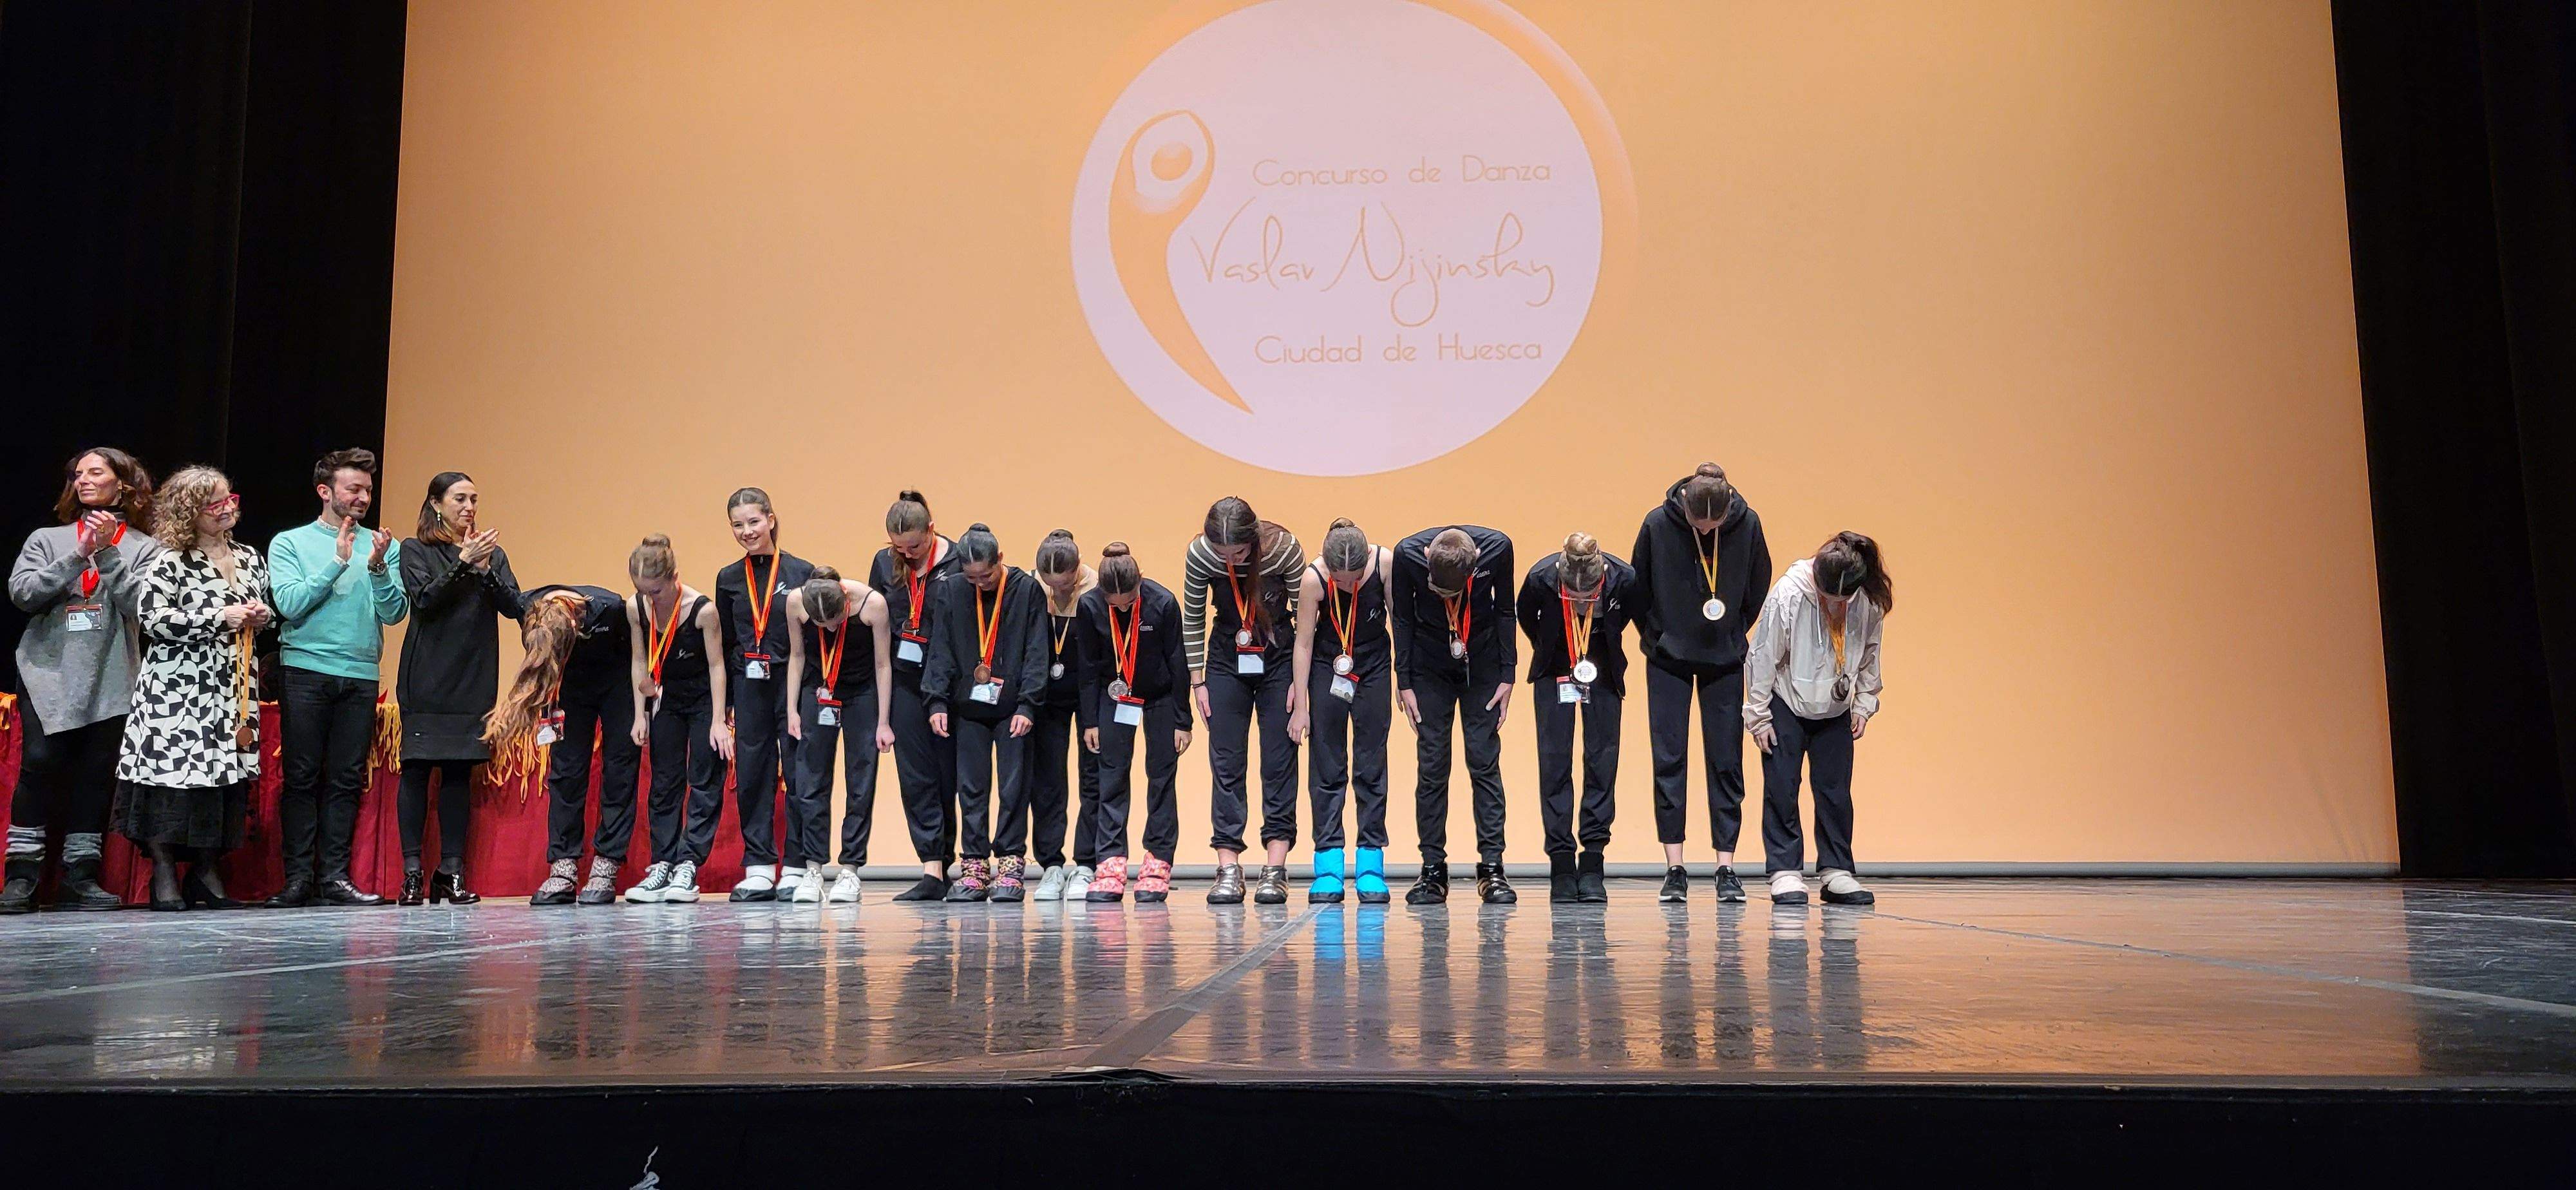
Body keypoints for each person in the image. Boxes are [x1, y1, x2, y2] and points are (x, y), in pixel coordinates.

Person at [5, 448, 159, 913]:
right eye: (77, 474)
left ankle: (80, 875)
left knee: (96, 772)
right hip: (48, 671)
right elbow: (23, 593)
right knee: (40, 764)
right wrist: (79, 555)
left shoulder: (145, 547)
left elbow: (142, 607)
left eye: (95, 472)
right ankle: (21, 875)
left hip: (112, 674)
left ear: (123, 484)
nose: (83, 480)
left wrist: (108, 553)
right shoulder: (48, 538)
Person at [117, 467, 270, 911]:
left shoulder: (248, 557)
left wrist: (261, 617)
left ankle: (205, 872)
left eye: (229, 498)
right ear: (189, 514)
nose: (226, 509)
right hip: (178, 691)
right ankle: (164, 874)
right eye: (214, 504)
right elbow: (153, 619)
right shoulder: (170, 561)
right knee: (172, 780)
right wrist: (218, 618)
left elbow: (262, 610)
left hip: (232, 689)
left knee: (221, 779)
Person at [265, 448, 406, 907]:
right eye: (354, 489)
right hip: (305, 671)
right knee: (302, 776)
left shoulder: (384, 546)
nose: (363, 497)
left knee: (346, 779)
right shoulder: (290, 542)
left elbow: (395, 612)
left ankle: (334, 878)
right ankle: (297, 879)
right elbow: (289, 605)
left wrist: (378, 567)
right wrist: (337, 561)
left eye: (368, 490)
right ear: (325, 491)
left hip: (360, 674)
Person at [1631, 462, 1772, 903]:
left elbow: (1759, 582)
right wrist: (1657, 637)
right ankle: (1674, 867)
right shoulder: (1658, 524)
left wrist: (1735, 630)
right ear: (1686, 508)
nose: (1707, 531)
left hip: (1724, 659)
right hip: (1668, 660)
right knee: (1669, 759)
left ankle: (1725, 866)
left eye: (1715, 525)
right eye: (1699, 525)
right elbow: (1638, 587)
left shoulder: (1747, 524)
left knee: (1726, 762)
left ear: (1728, 510)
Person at [392, 472, 519, 905]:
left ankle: (451, 871)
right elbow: (425, 600)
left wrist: (485, 571)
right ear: (436, 504)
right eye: (460, 499)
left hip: (473, 678)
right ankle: (412, 873)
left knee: (459, 773)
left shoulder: (492, 555)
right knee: (416, 769)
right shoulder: (416, 549)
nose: (469, 507)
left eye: (474, 500)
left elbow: (514, 606)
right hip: (427, 679)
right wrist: (465, 562)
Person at [1746, 533, 1889, 908]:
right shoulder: (1789, 594)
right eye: (1828, 598)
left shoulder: (1867, 600)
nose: (1835, 605)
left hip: (1836, 708)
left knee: (1835, 792)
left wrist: (1864, 704)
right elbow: (1763, 655)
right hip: (1786, 702)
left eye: (1844, 600)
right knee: (1782, 787)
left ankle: (1837, 870)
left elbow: (1871, 652)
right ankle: (1785, 871)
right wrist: (1758, 716)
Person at [1182, 497, 1304, 904]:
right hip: (1225, 657)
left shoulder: (1283, 549)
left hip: (1278, 657)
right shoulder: (1201, 554)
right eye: (1222, 553)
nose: (1230, 561)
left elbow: (1308, 617)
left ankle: (1275, 868)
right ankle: (1229, 868)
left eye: (1237, 553)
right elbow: (1193, 617)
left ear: (1253, 540)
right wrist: (1198, 681)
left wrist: (1300, 683)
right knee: (1226, 762)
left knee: (1279, 760)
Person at [489, 581, 641, 905]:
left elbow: (641, 651)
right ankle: (563, 865)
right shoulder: (528, 606)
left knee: (619, 769)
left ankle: (607, 863)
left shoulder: (612, 609)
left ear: (575, 625)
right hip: (569, 682)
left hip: (617, 682)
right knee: (566, 771)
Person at [1391, 523, 1517, 904]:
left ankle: (1492, 868)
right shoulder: (1408, 554)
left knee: (1484, 762)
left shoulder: (1497, 548)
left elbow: (1505, 610)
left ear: (1475, 563)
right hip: (1429, 668)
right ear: (1427, 558)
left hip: (1483, 664)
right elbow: (1402, 619)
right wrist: (1404, 680)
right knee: (1432, 765)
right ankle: (1432, 870)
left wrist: (1508, 675)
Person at [922, 524, 1048, 903]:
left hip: (1014, 710)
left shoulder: (1026, 590)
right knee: (971, 789)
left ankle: (1010, 866)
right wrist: (937, 701)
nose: (980, 583)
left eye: (987, 576)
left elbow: (1036, 651)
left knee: (1013, 788)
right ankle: (974, 866)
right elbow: (940, 648)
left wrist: (1028, 704)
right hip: (969, 709)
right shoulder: (951, 591)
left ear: (1001, 560)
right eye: (972, 578)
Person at [1516, 533, 1640, 903]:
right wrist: (1550, 642)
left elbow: (1629, 614)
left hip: (1601, 668)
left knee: (1602, 760)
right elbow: (1526, 616)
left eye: (1589, 595)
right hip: (1556, 668)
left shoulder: (1624, 578)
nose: (1583, 602)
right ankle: (1561, 863)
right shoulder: (1541, 578)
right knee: (1555, 761)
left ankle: (1592, 863)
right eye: (1574, 595)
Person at [1285, 518, 1394, 905]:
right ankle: (1329, 863)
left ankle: (1371, 862)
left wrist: (1406, 681)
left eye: (1356, 579)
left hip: (1374, 667)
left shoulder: (1385, 564)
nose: (1348, 586)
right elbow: (1303, 644)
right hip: (1329, 667)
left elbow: (1400, 624)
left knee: (1371, 765)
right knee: (1327, 766)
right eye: (1341, 581)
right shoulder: (1313, 579)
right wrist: (1301, 705)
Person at [1075, 543, 1191, 902]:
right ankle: (1110, 862)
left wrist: (1182, 720)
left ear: (1140, 581)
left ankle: (1158, 861)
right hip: (1114, 697)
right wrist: (1090, 721)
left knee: (1161, 777)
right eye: (1116, 604)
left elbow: (1178, 662)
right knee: (1110, 777)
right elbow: (1088, 669)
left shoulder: (1163, 603)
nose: (1124, 608)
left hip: (1159, 699)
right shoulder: (1090, 606)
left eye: (1129, 600)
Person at [714, 488, 812, 902]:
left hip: (792, 684)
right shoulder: (728, 578)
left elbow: (814, 639)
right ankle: (758, 866)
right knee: (753, 772)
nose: (747, 531)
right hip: (749, 685)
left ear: (771, 520)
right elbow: (724, 644)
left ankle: (797, 865)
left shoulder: (801, 571)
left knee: (799, 772)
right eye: (738, 525)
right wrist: (725, 708)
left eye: (754, 522)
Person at [623, 535, 730, 903]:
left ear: (674, 577)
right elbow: (640, 660)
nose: (650, 599)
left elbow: (717, 666)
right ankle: (663, 863)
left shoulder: (702, 611)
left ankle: (688, 864)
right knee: (664, 783)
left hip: (703, 701)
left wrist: (719, 720)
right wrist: (640, 714)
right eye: (642, 591)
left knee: (704, 779)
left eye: (656, 591)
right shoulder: (636, 607)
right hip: (665, 700)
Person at [869, 490, 962, 901]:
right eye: (899, 549)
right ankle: (932, 868)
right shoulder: (883, 563)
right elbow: (877, 627)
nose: (907, 555)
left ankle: (963, 863)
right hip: (906, 682)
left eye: (915, 547)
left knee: (950, 776)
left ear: (932, 530)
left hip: (951, 684)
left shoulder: (957, 561)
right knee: (916, 776)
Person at [783, 566, 894, 903]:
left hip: (862, 693)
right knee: (811, 781)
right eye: (822, 625)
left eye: (835, 621)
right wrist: (791, 709)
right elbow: (797, 656)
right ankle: (813, 868)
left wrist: (883, 722)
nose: (830, 629)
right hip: (819, 691)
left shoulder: (872, 605)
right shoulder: (795, 602)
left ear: (845, 602)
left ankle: (850, 869)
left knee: (860, 780)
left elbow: (883, 665)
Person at [1027, 530, 1099, 901]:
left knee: (1093, 779)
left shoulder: (1098, 588)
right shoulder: (1031, 588)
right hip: (1048, 696)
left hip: (1090, 695)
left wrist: (1095, 716)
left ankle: (1087, 863)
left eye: (1066, 584)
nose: (1058, 592)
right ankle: (1051, 866)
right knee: (1048, 781)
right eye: (1050, 585)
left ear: (1078, 569)